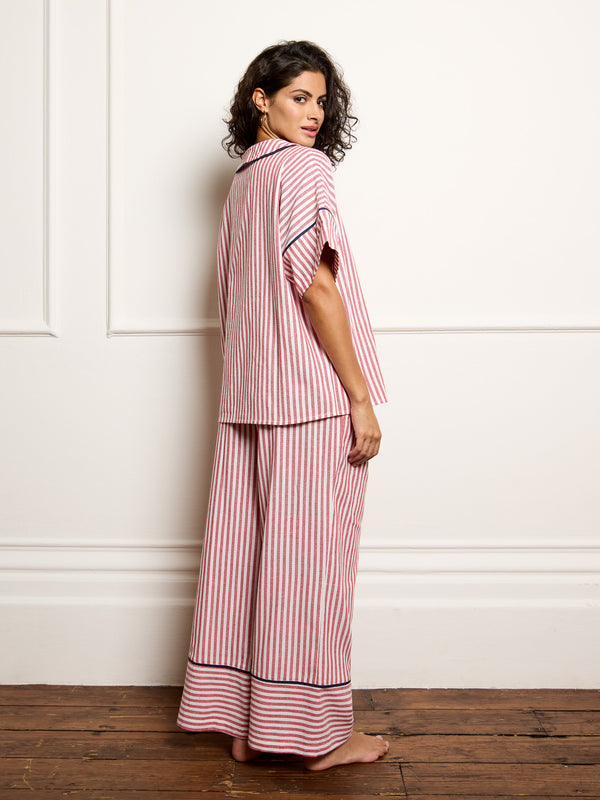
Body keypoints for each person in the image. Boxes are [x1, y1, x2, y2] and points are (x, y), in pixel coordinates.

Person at [176, 40, 389, 771]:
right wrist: (359, 396)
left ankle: (251, 725)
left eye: (322, 101)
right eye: (300, 96)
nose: (315, 113)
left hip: (247, 396)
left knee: (255, 564)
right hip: (304, 398)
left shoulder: (244, 182)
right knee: (312, 569)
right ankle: (319, 737)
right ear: (260, 99)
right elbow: (317, 286)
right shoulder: (303, 169)